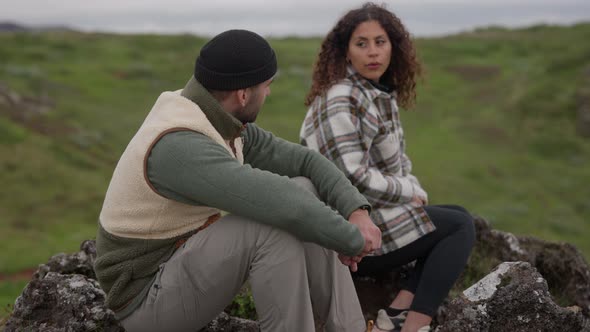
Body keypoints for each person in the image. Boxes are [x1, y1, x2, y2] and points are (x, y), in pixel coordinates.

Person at [94, 29, 383, 332]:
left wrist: (356, 212)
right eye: (267, 86)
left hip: (183, 261)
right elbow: (282, 204)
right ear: (243, 94)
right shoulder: (180, 145)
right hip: (146, 300)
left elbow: (305, 162)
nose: (269, 93)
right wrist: (352, 240)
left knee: (303, 188)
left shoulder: (217, 116)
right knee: (269, 227)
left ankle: (351, 328)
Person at [300, 3, 476, 332]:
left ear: (394, 45)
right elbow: (350, 177)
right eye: (361, 43)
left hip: (369, 215)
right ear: (345, 52)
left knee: (454, 215)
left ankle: (394, 317)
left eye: (380, 42)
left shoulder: (376, 94)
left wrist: (410, 191)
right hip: (341, 234)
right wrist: (410, 191)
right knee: (458, 227)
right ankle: (412, 327)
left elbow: (397, 163)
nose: (373, 52)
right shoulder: (343, 97)